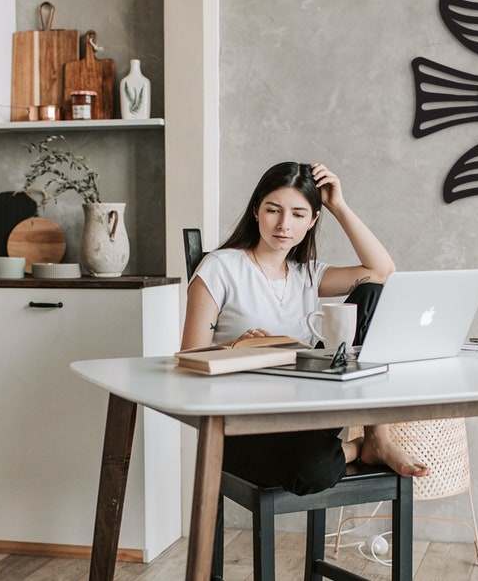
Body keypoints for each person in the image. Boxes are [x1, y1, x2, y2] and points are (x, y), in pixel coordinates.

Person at [180, 161, 429, 495]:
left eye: (299, 214)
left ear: (313, 221)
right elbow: (188, 359)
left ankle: (378, 438)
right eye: (273, 210)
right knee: (314, 470)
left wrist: (338, 206)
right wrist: (235, 347)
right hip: (242, 426)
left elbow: (382, 271)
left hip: (306, 414)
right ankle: (357, 448)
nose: (284, 224)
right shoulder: (221, 267)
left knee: (373, 293)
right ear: (256, 211)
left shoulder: (308, 275)